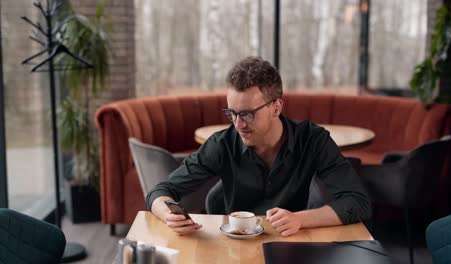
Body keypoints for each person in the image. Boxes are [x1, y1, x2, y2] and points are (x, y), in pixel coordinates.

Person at [146, 56, 371, 236]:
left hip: (289, 244)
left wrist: (300, 219)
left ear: (276, 107)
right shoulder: (221, 144)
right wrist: (168, 215)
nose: (238, 123)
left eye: (247, 114)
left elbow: (358, 202)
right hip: (234, 247)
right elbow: (160, 192)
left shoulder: (313, 140)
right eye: (231, 113)